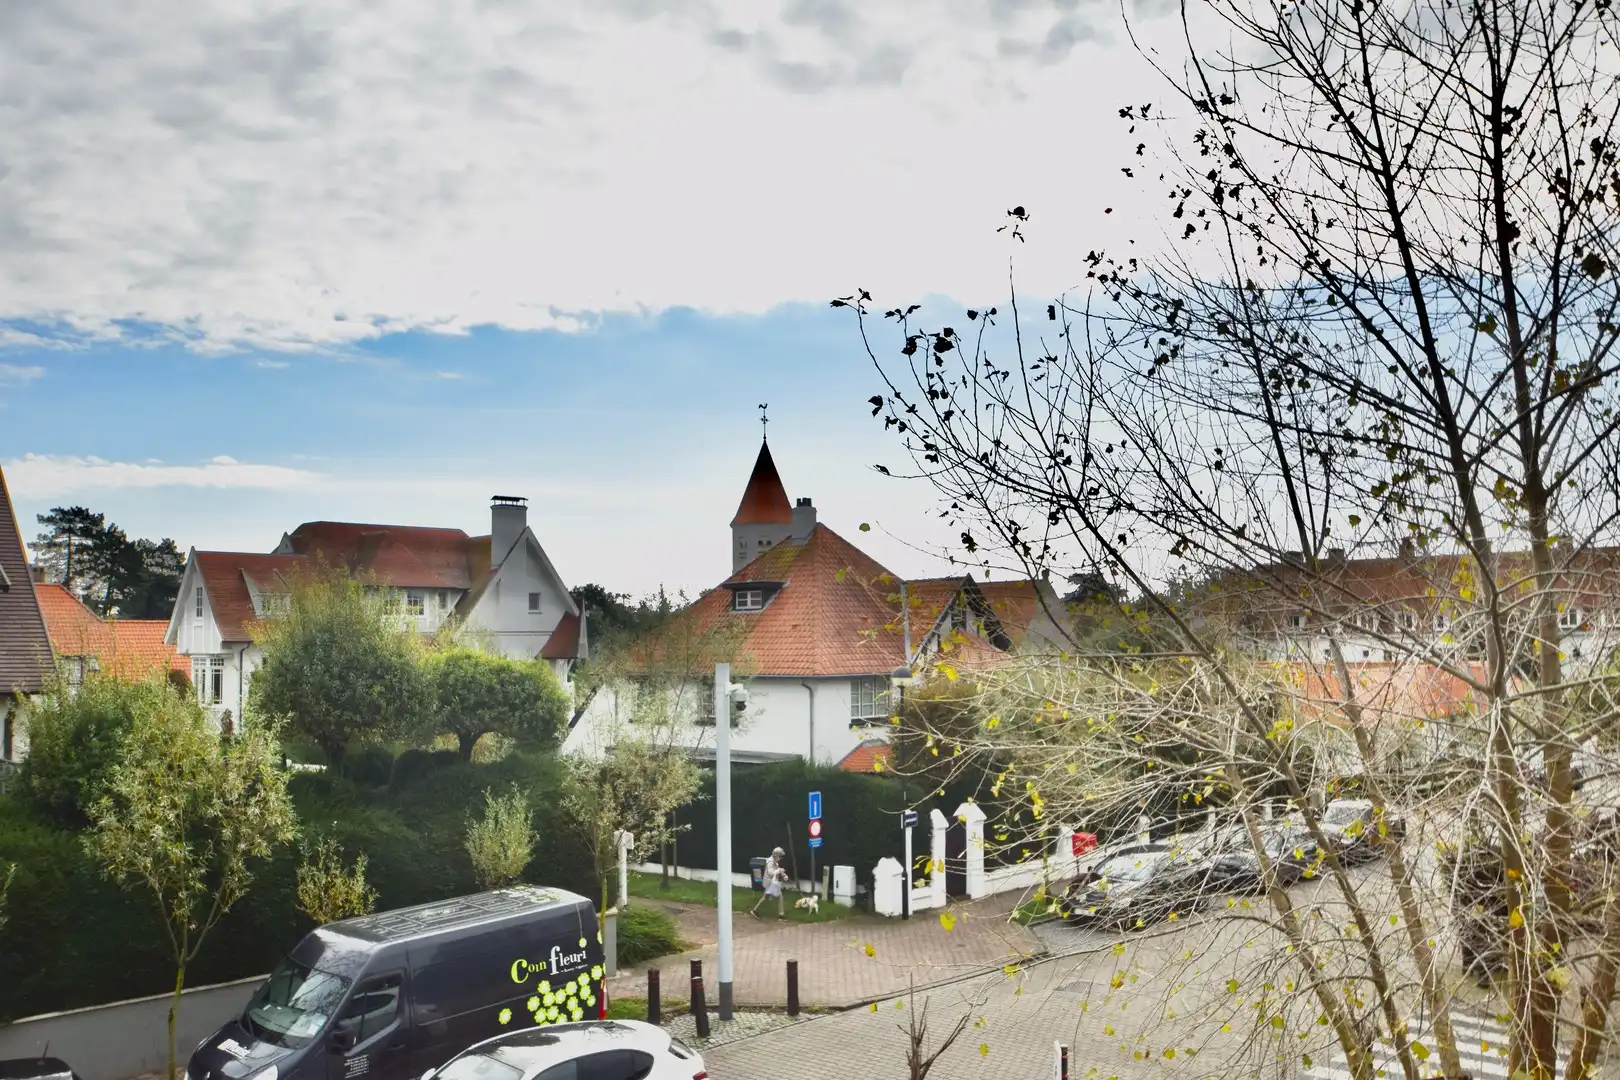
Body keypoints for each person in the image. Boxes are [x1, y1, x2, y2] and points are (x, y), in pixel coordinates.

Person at [751, 847, 789, 920]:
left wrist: (784, 875)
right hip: (770, 882)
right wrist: (779, 871)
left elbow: (778, 870)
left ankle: (754, 910)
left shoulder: (774, 861)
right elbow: (770, 872)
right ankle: (781, 915)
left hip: (772, 882)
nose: (780, 858)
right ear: (776, 855)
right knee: (779, 897)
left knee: (766, 897)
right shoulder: (770, 862)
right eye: (780, 856)